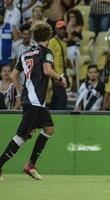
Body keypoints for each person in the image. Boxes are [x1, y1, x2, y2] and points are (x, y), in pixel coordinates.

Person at [0, 21, 67, 181]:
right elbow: (47, 70)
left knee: (49, 129)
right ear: (49, 36)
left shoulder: (25, 54)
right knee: (21, 136)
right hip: (35, 102)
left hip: (32, 100)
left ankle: (30, 165)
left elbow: (14, 76)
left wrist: (22, 90)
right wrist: (60, 77)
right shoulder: (47, 51)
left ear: (35, 37)